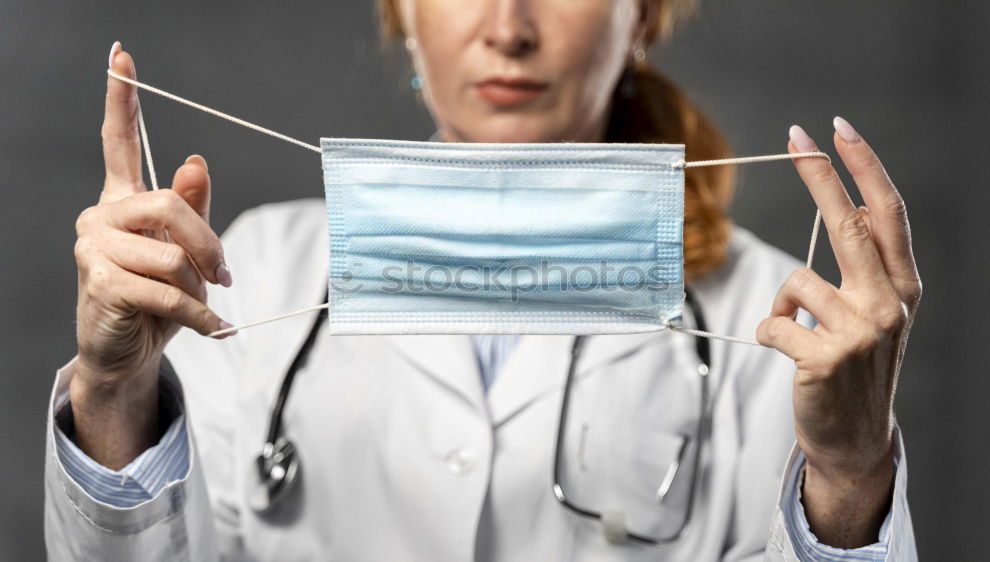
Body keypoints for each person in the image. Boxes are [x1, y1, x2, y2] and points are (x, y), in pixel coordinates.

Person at [45, 0, 921, 560]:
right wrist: (115, 390)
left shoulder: (785, 323)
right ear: (402, 15)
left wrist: (849, 475)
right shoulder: (252, 269)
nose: (508, 26)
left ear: (644, 18)